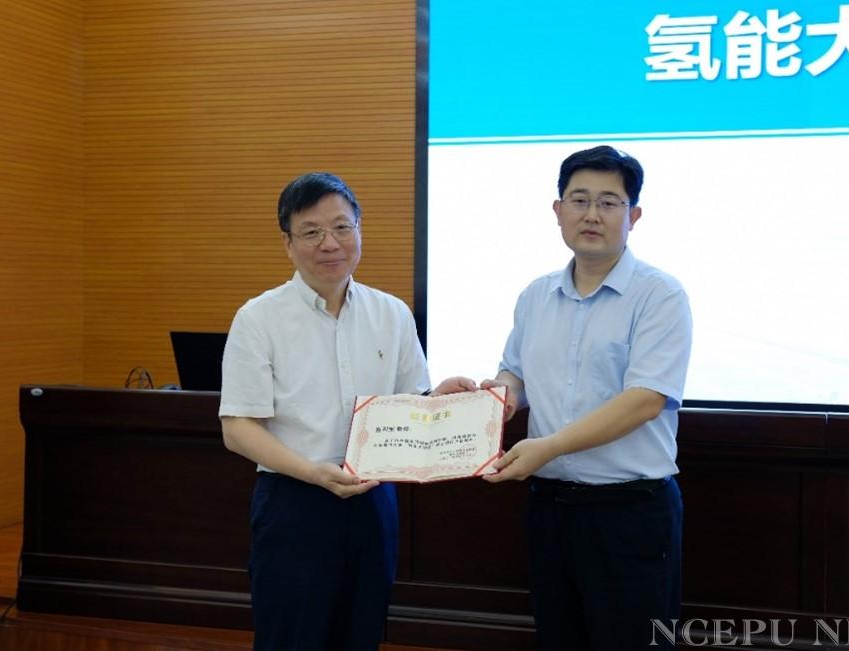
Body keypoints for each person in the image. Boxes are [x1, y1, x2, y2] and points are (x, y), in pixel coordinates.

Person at [219, 172, 471, 651]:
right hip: (294, 500)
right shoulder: (258, 319)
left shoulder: (392, 313)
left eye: (341, 227)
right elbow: (238, 428)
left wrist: (439, 399)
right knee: (291, 638)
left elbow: (408, 407)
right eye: (311, 232)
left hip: (374, 502)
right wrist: (312, 473)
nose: (329, 243)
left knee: (362, 634)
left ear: (359, 230)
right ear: (288, 243)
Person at [481, 146, 693, 650]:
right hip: (550, 509)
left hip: (630, 511)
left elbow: (645, 399)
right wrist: (496, 401)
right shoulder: (535, 296)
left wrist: (550, 446)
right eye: (579, 200)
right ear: (558, 211)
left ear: (633, 216)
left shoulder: (660, 295)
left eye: (608, 202)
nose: (592, 214)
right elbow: (515, 374)